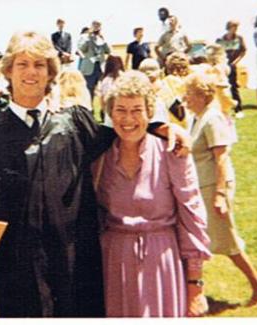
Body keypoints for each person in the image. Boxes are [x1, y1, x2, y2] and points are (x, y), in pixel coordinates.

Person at [0, 30, 187, 318]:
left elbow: (121, 132)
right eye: (22, 64)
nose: (31, 73)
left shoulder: (74, 122)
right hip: (19, 263)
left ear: (51, 73)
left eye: (39, 65)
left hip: (75, 257)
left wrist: (158, 126)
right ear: (8, 70)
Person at [93, 70, 211, 317]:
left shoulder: (172, 152)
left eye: (137, 110)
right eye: (120, 110)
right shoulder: (99, 158)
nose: (128, 119)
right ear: (109, 113)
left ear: (150, 113)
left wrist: (195, 284)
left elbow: (192, 215)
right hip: (114, 262)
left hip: (161, 260)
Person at [184, 73, 257, 308]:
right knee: (216, 240)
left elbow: (221, 159)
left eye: (189, 94)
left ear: (202, 95)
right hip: (205, 187)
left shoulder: (212, 119)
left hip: (215, 187)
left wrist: (220, 195)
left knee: (227, 242)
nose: (185, 98)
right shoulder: (198, 117)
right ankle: (192, 289)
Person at [216, 20, 247, 119]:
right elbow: (216, 51)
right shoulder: (220, 39)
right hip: (222, 65)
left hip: (232, 65)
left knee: (233, 87)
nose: (235, 29)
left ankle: (238, 109)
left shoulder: (239, 38)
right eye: (233, 27)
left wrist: (236, 62)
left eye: (236, 27)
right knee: (220, 87)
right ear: (229, 27)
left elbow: (243, 51)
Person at [78, 20, 111, 99]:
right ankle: (89, 109)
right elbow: (82, 49)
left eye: (98, 25)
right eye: (95, 25)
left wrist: (104, 39)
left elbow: (108, 51)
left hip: (100, 67)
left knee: (104, 89)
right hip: (89, 68)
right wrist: (89, 37)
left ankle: (102, 110)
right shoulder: (84, 37)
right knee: (89, 90)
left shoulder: (101, 38)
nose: (96, 27)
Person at [96, 55, 124, 124]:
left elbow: (103, 99)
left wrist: (103, 110)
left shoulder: (106, 80)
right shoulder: (125, 77)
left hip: (110, 113)